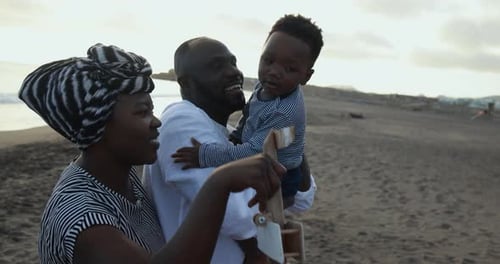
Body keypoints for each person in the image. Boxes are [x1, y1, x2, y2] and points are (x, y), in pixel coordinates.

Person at [19, 43, 285, 264]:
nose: (156, 122)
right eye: (141, 112)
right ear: (98, 126)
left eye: (152, 110)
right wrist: (219, 183)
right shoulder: (83, 219)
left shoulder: (122, 183)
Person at [142, 36, 317, 263]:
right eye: (217, 66)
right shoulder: (181, 119)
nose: (233, 72)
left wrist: (291, 131)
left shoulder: (229, 133)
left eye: (233, 63)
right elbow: (239, 217)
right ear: (186, 83)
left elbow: (304, 198)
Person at [172, 14, 323, 208]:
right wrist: (235, 137)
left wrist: (204, 155)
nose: (274, 71)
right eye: (268, 60)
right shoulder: (268, 85)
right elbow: (250, 114)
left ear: (306, 76)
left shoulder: (283, 112)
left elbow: (253, 152)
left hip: (281, 168)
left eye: (289, 68)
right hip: (266, 149)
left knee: (269, 206)